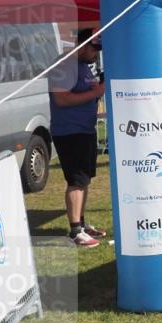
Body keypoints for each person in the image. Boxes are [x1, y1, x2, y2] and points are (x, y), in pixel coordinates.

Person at [49, 28, 106, 248]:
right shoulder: (64, 65)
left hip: (85, 129)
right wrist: (96, 92)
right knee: (76, 181)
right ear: (82, 46)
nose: (96, 54)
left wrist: (94, 90)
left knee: (84, 179)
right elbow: (62, 99)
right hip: (70, 131)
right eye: (94, 49)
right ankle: (75, 231)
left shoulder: (83, 66)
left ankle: (81, 224)